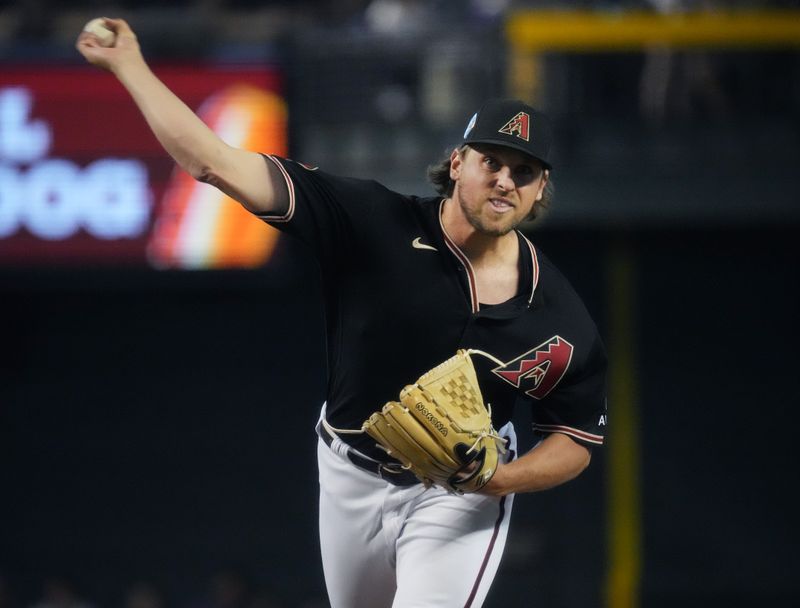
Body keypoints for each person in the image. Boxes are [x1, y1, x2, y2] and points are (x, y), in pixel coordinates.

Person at [77, 18, 608, 608]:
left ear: (540, 191)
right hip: (348, 472)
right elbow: (212, 162)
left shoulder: (558, 317)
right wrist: (129, 66)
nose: (505, 180)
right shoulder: (371, 222)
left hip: (459, 495)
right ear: (458, 163)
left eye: (524, 172)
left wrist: (497, 479)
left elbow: (576, 438)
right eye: (493, 162)